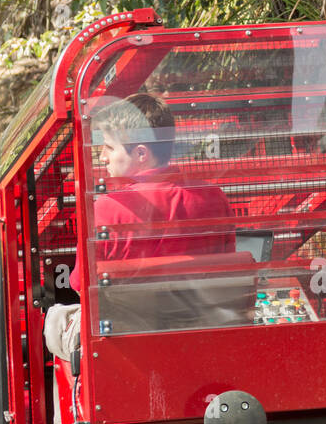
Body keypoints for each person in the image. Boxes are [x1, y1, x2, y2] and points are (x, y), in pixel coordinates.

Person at [44, 90, 235, 363]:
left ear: (141, 153)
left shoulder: (108, 209)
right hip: (201, 340)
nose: (102, 158)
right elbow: (226, 272)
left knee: (56, 323)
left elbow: (79, 284)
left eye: (109, 148)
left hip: (127, 352)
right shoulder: (215, 198)